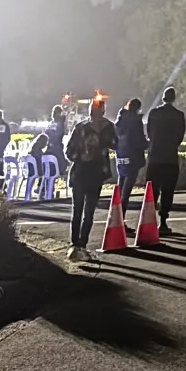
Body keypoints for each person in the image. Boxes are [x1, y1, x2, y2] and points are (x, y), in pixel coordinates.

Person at [65, 97, 119, 261]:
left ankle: (80, 245)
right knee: (80, 210)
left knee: (87, 212)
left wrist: (102, 139)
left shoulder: (108, 128)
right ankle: (76, 245)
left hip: (94, 174)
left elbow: (115, 144)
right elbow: (70, 151)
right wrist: (81, 156)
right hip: (82, 172)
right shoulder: (81, 128)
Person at [146, 86, 186, 235]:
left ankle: (148, 220)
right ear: (174, 99)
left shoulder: (154, 113)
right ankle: (163, 221)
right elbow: (180, 137)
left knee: (152, 191)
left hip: (155, 157)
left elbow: (149, 133)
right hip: (170, 158)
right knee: (168, 191)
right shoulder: (179, 115)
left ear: (163, 98)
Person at [115, 97, 147, 214]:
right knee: (126, 192)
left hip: (121, 156)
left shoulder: (120, 120)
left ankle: (116, 218)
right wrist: (147, 144)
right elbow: (139, 141)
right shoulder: (135, 122)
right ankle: (120, 220)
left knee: (120, 188)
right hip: (133, 158)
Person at [46, 105, 68, 174]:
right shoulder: (55, 123)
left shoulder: (54, 123)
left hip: (52, 145)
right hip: (53, 146)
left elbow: (58, 134)